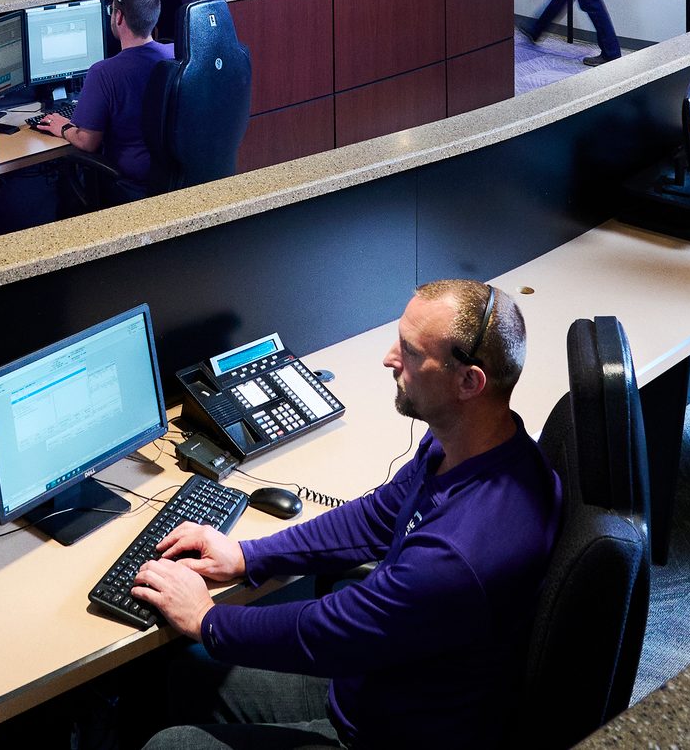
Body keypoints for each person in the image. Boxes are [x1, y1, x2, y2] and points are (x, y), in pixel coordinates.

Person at [124, 278, 560, 750]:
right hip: (377, 682)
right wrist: (247, 556)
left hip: (395, 733)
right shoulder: (466, 444)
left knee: (173, 745)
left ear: (469, 382)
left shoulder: (461, 551)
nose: (390, 358)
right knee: (185, 676)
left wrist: (208, 620)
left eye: (411, 352)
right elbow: (377, 516)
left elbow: (333, 631)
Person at [30, 0, 171, 194]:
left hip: (133, 179)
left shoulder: (104, 72)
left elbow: (88, 142)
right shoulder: (176, 54)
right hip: (172, 175)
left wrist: (64, 127)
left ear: (119, 17)